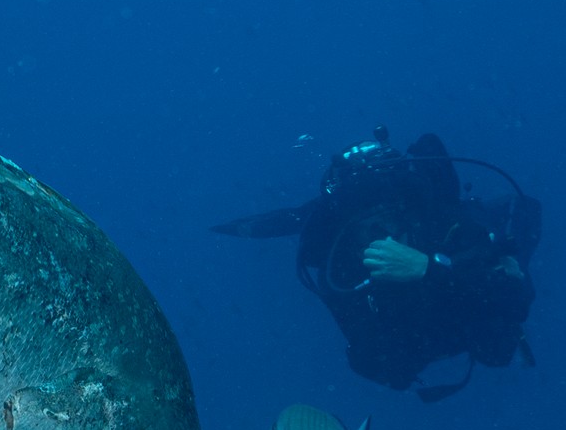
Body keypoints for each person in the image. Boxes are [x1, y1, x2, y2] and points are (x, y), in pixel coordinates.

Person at [213, 130, 539, 398]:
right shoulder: (343, 272)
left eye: (388, 220)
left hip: (464, 302)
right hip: (423, 339)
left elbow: (515, 298)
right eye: (366, 227)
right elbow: (382, 368)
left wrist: (428, 269)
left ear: (407, 214)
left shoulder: (445, 226)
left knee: (498, 346)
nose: (382, 235)